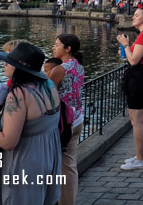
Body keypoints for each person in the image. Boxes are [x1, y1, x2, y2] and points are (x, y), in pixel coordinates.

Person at [0, 42, 62, 205]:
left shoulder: (18, 95)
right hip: (50, 152)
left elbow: (8, 141)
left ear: (19, 67)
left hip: (27, 160)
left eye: (9, 62)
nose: (4, 64)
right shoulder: (48, 85)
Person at [117, 8, 143, 170]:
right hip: (142, 77)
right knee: (141, 119)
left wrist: (125, 45)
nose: (133, 17)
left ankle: (140, 158)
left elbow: (133, 60)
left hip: (138, 79)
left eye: (137, 15)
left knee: (137, 120)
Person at [49, 34, 84, 205]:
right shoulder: (78, 66)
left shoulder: (59, 70)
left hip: (64, 122)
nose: (53, 47)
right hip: (77, 117)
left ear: (67, 48)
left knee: (65, 167)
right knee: (69, 165)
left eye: (57, 45)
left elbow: (46, 95)